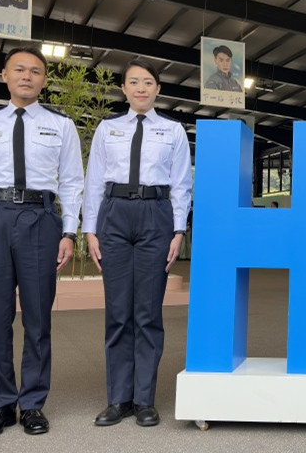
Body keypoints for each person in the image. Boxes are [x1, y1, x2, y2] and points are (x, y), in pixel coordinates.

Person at [0, 46, 84, 438]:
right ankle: (1, 405)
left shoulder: (60, 125)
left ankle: (32, 404)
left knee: (37, 318)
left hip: (41, 219)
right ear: (5, 75)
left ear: (44, 79)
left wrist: (69, 232)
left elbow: (73, 181)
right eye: (19, 69)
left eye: (35, 71)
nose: (27, 76)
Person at [82, 59, 191, 428]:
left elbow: (181, 184)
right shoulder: (107, 129)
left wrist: (177, 230)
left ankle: (144, 399)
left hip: (155, 215)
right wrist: (90, 229)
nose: (141, 88)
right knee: (118, 311)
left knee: (147, 312)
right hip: (114, 214)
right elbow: (94, 180)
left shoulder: (173, 131)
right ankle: (118, 399)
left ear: (158, 89)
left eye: (147, 82)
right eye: (133, 82)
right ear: (124, 89)